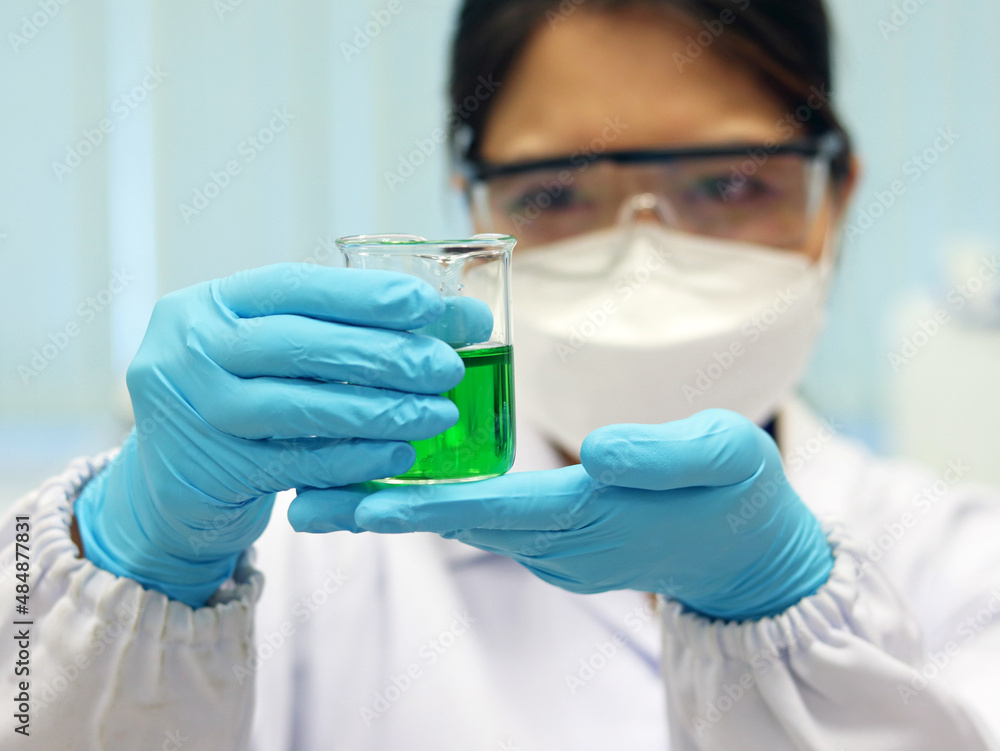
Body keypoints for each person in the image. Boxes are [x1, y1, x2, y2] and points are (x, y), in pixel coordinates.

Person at [3, 0, 999, 748]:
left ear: (833, 198)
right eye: (556, 191)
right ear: (476, 215)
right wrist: (128, 575)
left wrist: (776, 610)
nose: (637, 254)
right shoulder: (315, 556)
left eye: (729, 183)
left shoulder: (963, 566)